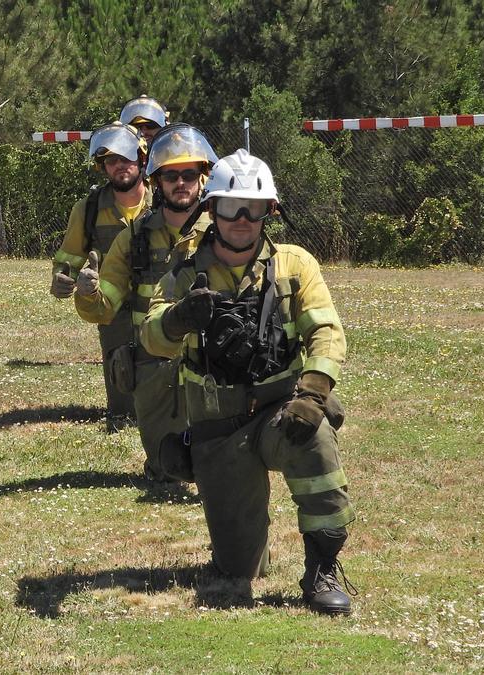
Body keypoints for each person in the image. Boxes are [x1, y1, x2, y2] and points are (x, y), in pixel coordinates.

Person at [140, 149, 356, 615]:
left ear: (269, 212)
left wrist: (314, 392)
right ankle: (236, 534)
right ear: (211, 209)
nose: (242, 218)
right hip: (218, 429)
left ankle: (322, 568)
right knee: (240, 570)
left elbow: (327, 331)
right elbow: (151, 338)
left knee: (315, 437)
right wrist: (178, 319)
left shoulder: (295, 266)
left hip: (281, 412)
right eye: (230, 206)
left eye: (253, 208)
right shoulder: (185, 271)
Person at [74, 123, 218, 478]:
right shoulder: (133, 238)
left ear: (203, 178)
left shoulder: (222, 232)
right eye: (171, 176)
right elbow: (104, 307)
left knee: (219, 461)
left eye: (189, 173)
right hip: (154, 365)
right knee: (166, 467)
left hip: (213, 361)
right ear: (156, 180)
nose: (180, 183)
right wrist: (88, 293)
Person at [51, 122, 151, 433]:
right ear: (103, 167)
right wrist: (62, 280)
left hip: (158, 299)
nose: (120, 166)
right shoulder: (90, 208)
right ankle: (122, 410)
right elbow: (68, 257)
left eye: (126, 158)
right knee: (123, 402)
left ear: (142, 159)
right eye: (111, 160)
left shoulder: (163, 201)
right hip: (112, 305)